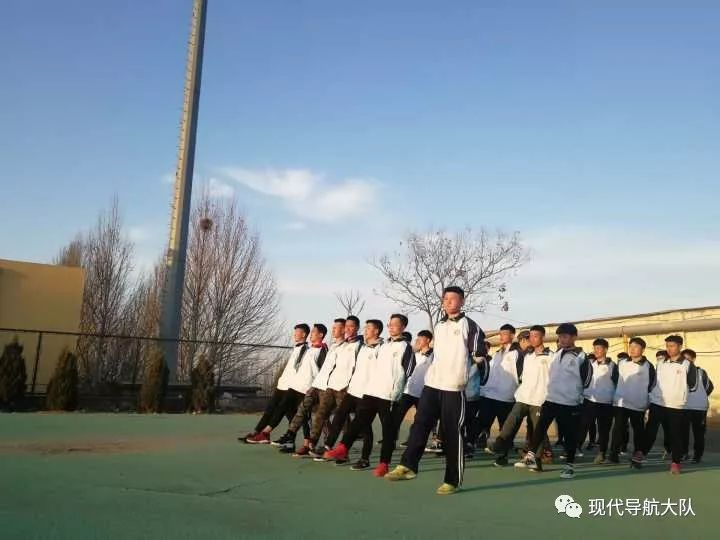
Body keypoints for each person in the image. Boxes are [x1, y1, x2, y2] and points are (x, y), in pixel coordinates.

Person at [386, 286, 487, 495]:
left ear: (462, 301)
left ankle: (452, 480)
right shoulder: (439, 326)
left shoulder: (470, 325)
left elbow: (480, 356)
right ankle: (408, 465)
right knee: (420, 424)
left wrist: (466, 373)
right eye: (445, 298)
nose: (448, 302)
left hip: (453, 388)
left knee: (452, 434)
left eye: (453, 298)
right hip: (432, 384)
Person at [323, 314, 415, 476]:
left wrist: (396, 387)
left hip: (388, 395)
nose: (391, 327)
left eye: (395, 324)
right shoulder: (384, 346)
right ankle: (343, 448)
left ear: (403, 327)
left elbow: (409, 370)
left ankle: (384, 463)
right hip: (372, 391)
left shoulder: (405, 347)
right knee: (358, 421)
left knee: (388, 430)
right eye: (390, 324)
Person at [515, 323, 592, 479]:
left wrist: (572, 392)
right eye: (560, 337)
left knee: (569, 436)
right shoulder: (556, 354)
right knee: (539, 428)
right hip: (551, 399)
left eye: (565, 336)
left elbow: (587, 381)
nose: (562, 339)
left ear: (574, 337)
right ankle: (531, 457)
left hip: (569, 403)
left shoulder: (581, 357)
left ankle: (569, 466)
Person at [312, 319, 383, 466]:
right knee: (339, 416)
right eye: (365, 328)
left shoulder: (380, 348)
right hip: (352, 390)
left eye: (368, 328)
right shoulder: (362, 347)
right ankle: (329, 447)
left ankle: (365, 458)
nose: (365, 330)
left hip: (367, 393)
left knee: (365, 426)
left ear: (376, 331)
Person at [492, 325, 553, 467]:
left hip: (539, 400)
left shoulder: (551, 356)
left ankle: (536, 461)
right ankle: (501, 450)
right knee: (511, 422)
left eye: (536, 336)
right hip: (523, 397)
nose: (532, 339)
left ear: (543, 337)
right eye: (530, 336)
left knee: (537, 431)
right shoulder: (527, 356)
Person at [243, 324, 310, 444]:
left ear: (304, 334)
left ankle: (286, 439)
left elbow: (299, 370)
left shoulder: (305, 350)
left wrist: (293, 385)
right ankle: (258, 432)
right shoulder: (296, 348)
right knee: (272, 409)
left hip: (290, 387)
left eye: (297, 332)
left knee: (290, 414)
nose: (294, 334)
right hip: (282, 385)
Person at [642, 335, 697, 474]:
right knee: (650, 431)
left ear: (680, 346)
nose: (669, 348)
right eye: (667, 346)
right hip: (657, 403)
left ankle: (675, 462)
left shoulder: (687, 365)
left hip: (676, 405)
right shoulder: (661, 363)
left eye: (672, 346)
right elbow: (655, 382)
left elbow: (693, 386)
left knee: (675, 435)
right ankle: (640, 454)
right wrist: (653, 395)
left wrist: (678, 393)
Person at [472, 324, 523, 453]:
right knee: (482, 420)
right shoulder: (497, 354)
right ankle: (479, 440)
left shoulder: (517, 353)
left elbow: (521, 374)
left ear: (512, 335)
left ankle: (505, 447)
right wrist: (484, 389)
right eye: (500, 334)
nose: (501, 336)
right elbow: (490, 373)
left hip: (506, 396)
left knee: (505, 425)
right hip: (490, 394)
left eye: (504, 334)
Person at [608, 338, 654, 466]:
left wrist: (647, 402)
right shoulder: (622, 363)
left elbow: (652, 385)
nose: (632, 349)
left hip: (638, 405)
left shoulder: (648, 366)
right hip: (621, 403)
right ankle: (613, 454)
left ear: (643, 349)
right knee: (618, 429)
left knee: (638, 431)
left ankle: (637, 455)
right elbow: (614, 379)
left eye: (636, 347)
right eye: (631, 346)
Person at [390, 331, 434, 450]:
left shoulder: (434, 356)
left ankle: (413, 441)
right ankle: (391, 440)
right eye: (417, 338)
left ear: (428, 340)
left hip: (423, 393)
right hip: (408, 391)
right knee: (396, 417)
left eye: (421, 338)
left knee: (421, 419)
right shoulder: (414, 354)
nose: (417, 340)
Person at [579, 339, 617, 464]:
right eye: (594, 348)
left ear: (605, 349)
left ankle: (602, 453)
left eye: (599, 348)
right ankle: (576, 448)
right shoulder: (589, 364)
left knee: (603, 430)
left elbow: (618, 384)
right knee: (583, 425)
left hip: (606, 403)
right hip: (589, 400)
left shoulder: (613, 366)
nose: (596, 351)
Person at [681, 349, 714, 464]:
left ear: (693, 359)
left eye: (688, 358)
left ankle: (697, 456)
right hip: (684, 407)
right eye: (683, 359)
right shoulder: (679, 371)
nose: (686, 361)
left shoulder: (701, 372)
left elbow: (709, 387)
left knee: (698, 433)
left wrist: (700, 396)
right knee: (682, 432)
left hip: (699, 408)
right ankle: (684, 453)